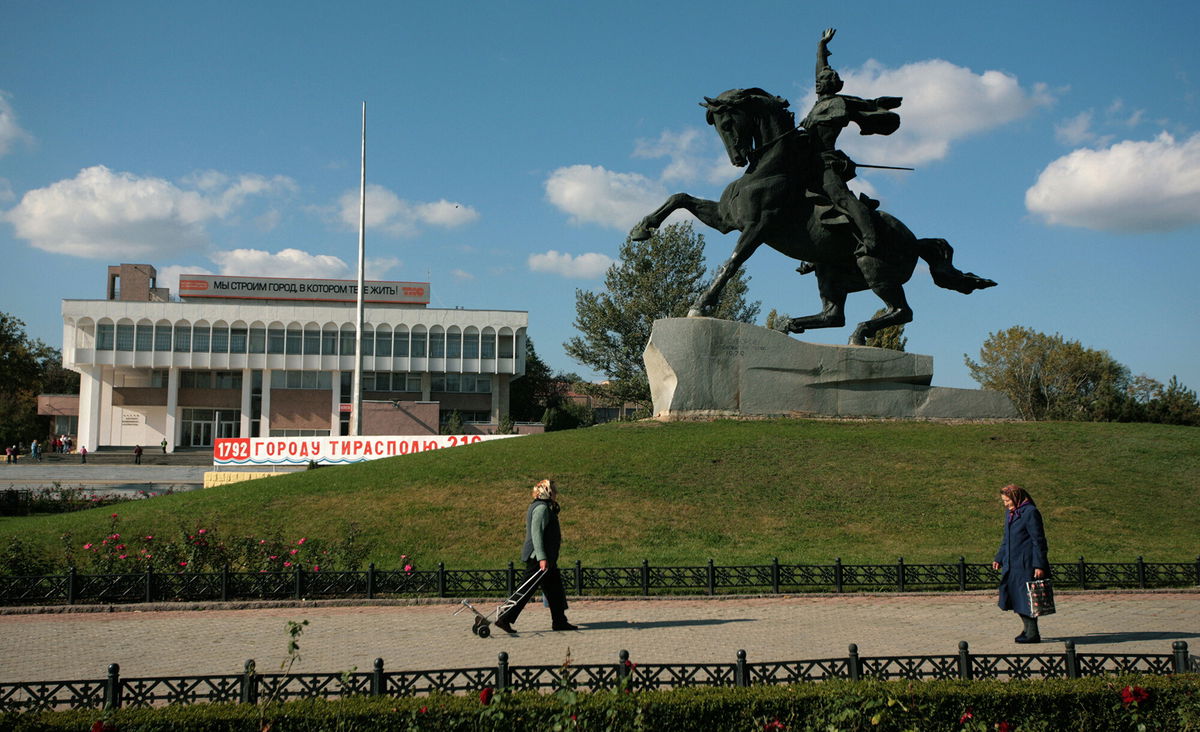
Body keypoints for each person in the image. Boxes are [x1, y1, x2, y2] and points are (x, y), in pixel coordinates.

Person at [800, 28, 903, 258]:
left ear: (834, 84)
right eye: (818, 80)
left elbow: (847, 114)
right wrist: (821, 47)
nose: (818, 83)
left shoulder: (839, 104)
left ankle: (870, 238)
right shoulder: (819, 102)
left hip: (827, 162)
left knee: (840, 198)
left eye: (824, 80)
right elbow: (819, 69)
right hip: (808, 162)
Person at [494, 479, 577, 633]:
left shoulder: (545, 507)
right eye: (554, 490)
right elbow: (536, 535)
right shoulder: (541, 509)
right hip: (538, 558)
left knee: (555, 590)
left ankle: (559, 621)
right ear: (547, 492)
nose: (556, 493)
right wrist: (542, 558)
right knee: (526, 589)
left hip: (546, 558)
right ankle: (504, 618)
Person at [992, 484, 1050, 643]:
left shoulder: (1030, 512)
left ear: (1016, 497)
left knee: (1027, 599)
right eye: (1004, 501)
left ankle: (1032, 633)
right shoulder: (1011, 513)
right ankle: (1027, 630)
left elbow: (1038, 541)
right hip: (1012, 564)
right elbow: (1007, 539)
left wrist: (1039, 565)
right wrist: (999, 557)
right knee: (1015, 598)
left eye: (1007, 500)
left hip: (1026, 565)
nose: (1005, 504)